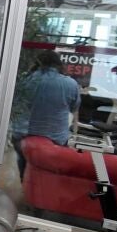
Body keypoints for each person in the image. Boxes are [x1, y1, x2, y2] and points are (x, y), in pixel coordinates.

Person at [10, 50, 81, 179]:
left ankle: (24, 180)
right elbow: (74, 107)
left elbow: (14, 104)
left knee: (23, 159)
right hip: (55, 141)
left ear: (37, 63)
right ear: (58, 64)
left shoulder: (25, 81)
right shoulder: (71, 84)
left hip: (22, 137)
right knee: (52, 166)